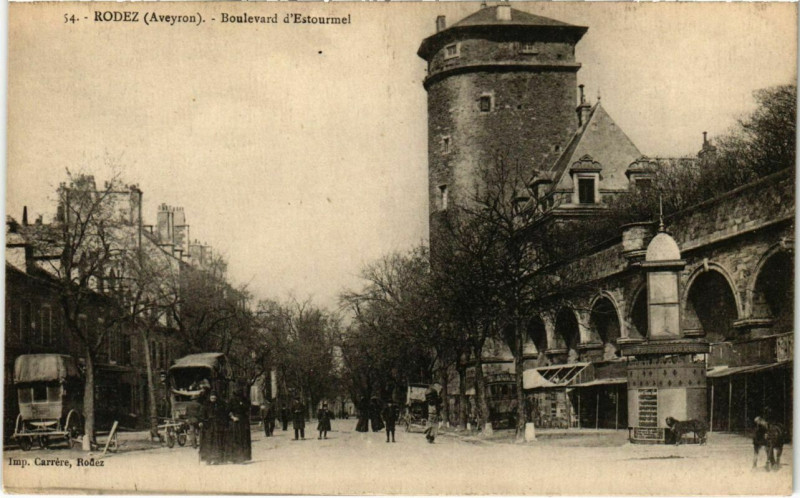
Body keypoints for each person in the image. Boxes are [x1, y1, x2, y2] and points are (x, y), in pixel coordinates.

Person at [199, 392, 227, 465]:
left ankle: (216, 459)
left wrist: (222, 422)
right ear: (209, 398)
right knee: (208, 441)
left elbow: (223, 415)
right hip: (208, 426)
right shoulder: (205, 405)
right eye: (212, 398)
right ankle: (208, 459)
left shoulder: (219, 405)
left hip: (217, 425)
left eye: (214, 398)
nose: (213, 399)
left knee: (217, 442)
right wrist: (201, 421)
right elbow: (202, 415)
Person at [225, 391, 251, 463]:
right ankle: (234, 457)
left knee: (243, 439)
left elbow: (248, 409)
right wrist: (233, 417)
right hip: (235, 422)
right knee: (235, 438)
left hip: (243, 422)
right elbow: (227, 411)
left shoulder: (245, 400)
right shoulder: (231, 401)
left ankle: (243, 457)